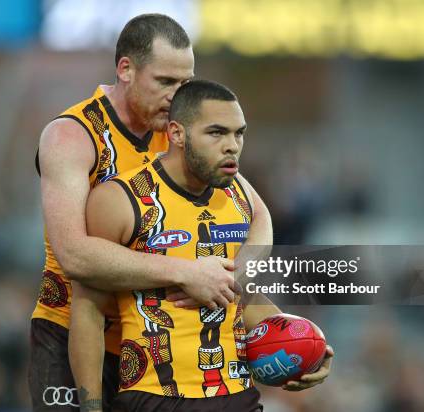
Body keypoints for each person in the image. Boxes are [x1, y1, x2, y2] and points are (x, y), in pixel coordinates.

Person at [31, 14, 276, 411]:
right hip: (73, 330)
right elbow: (74, 256)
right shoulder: (71, 136)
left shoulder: (179, 127)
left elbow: (257, 214)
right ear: (125, 69)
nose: (177, 94)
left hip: (153, 344)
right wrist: (186, 272)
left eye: (186, 82)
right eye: (165, 82)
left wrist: (241, 272)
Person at [73, 80, 332, 412]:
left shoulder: (240, 199)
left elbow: (238, 296)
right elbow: (87, 310)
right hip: (155, 398)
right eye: (216, 133)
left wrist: (306, 347)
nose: (232, 145)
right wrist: (91, 407)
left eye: (239, 134)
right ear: (177, 134)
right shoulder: (120, 200)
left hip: (239, 398)